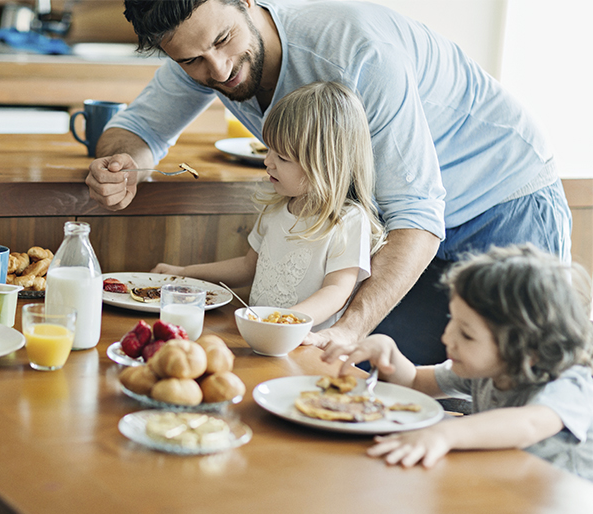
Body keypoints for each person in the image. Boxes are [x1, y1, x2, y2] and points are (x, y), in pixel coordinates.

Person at [85, 0, 571, 366]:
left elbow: (418, 215)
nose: (218, 70)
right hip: (395, 230)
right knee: (375, 384)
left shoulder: (357, 54)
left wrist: (352, 327)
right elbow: (139, 130)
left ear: (248, 2)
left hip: (503, 201)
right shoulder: (199, 53)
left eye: (223, 41)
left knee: (516, 387)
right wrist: (119, 164)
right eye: (191, 61)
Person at [323, 245, 593, 479]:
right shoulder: (485, 368)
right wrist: (389, 353)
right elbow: (416, 382)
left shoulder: (569, 383)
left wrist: (445, 434)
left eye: (467, 334)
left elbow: (528, 425)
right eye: (453, 320)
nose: (447, 337)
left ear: (527, 350)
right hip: (507, 481)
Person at [152, 81, 384, 330]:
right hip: (260, 335)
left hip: (306, 348)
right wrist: (185, 272)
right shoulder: (275, 207)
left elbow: (337, 291)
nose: (267, 161)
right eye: (268, 149)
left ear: (326, 166)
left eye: (282, 157)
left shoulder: (348, 221)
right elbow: (246, 266)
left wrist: (282, 321)